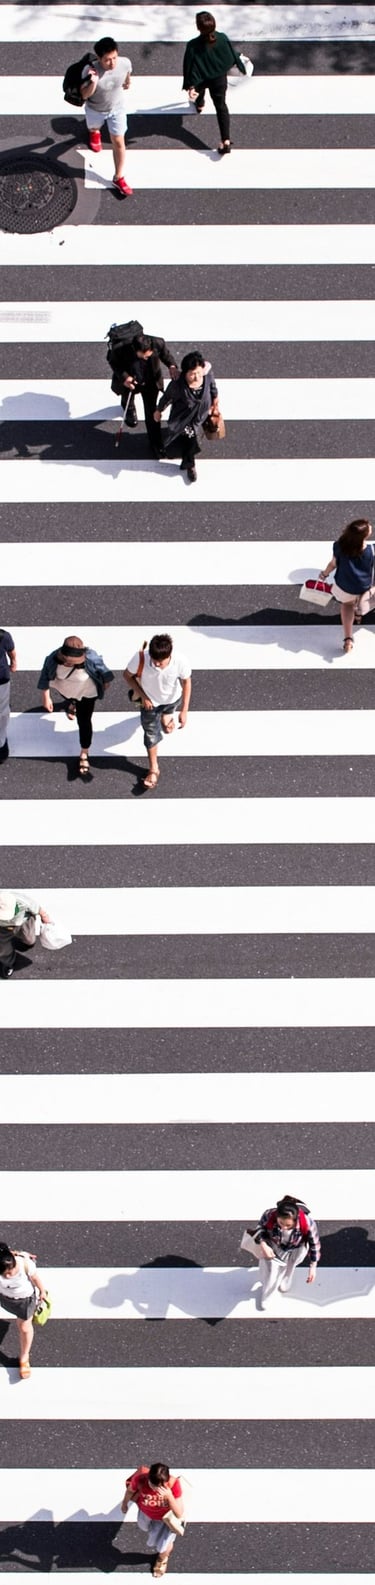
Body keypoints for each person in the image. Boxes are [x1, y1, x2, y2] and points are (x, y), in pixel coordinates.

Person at [38, 634, 114, 779]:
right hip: (65, 690)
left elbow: (106, 673)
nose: (68, 663)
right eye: (66, 661)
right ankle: (72, 704)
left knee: (84, 721)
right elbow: (45, 676)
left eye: (72, 662)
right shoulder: (52, 659)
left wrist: (104, 684)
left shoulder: (91, 658)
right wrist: (46, 696)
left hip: (87, 693)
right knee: (70, 698)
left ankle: (84, 751)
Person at [123, 633, 192, 791]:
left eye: (160, 662)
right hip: (150, 704)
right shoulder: (141, 658)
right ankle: (154, 769)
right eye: (154, 660)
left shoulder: (180, 661)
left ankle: (167, 718)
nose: (156, 664)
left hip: (173, 699)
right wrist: (143, 696)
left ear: (169, 655)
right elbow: (127, 676)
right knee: (151, 734)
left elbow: (187, 682)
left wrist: (184, 711)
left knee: (167, 722)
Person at [182, 10, 246, 153]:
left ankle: (199, 104)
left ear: (198, 28)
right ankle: (226, 140)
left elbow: (190, 67)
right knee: (221, 106)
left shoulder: (193, 45)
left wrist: (191, 86)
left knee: (200, 91)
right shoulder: (222, 38)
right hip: (219, 78)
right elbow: (230, 55)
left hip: (202, 78)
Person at [80, 35, 133, 197]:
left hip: (117, 109)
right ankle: (94, 132)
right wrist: (93, 81)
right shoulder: (89, 71)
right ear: (98, 58)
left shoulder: (124, 63)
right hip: (95, 109)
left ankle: (119, 177)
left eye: (114, 58)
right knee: (94, 127)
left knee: (118, 141)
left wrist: (128, 82)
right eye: (107, 60)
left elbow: (127, 74)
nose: (112, 63)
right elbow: (84, 95)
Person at [154, 350, 219, 482]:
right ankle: (190, 464)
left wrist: (215, 402)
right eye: (192, 374)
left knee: (189, 438)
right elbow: (166, 398)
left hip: (200, 416)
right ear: (185, 373)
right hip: (183, 419)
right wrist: (158, 410)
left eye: (199, 373)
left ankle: (186, 457)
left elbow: (212, 388)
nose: (196, 377)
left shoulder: (207, 376)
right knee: (191, 440)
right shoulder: (178, 385)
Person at [110, 331, 179, 456]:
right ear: (134, 349)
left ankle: (155, 443)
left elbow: (166, 355)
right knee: (127, 397)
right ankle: (129, 408)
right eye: (143, 356)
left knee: (151, 411)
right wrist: (125, 377)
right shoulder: (120, 348)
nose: (146, 358)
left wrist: (172, 366)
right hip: (131, 379)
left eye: (148, 356)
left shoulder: (158, 343)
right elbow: (113, 362)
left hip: (150, 382)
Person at [255, 1194, 321, 1311]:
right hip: (275, 1245)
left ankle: (286, 1278)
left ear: (296, 1220)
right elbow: (260, 1229)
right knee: (271, 1272)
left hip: (296, 1248)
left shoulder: (308, 1223)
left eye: (288, 1225)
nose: (284, 1227)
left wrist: (313, 1266)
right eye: (280, 1223)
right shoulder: (269, 1215)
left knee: (291, 1265)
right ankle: (267, 1295)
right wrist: (263, 1244)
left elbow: (314, 1244)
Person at [121, 1461, 184, 1578]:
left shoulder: (174, 1484)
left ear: (166, 1481)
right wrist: (124, 1503)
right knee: (144, 1528)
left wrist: (169, 1496)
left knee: (164, 1544)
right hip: (146, 1514)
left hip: (165, 1521)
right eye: (152, 1485)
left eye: (160, 1486)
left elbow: (179, 1513)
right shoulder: (140, 1479)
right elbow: (130, 1490)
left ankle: (162, 1559)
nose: (155, 1489)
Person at [320, 518, 374, 654]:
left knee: (347, 605)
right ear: (365, 535)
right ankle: (360, 612)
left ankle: (348, 639)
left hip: (344, 586)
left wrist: (324, 574)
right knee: (363, 601)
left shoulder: (340, 546)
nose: (371, 527)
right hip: (364, 586)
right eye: (369, 527)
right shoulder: (372, 551)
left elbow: (333, 564)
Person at [0, 1242, 47, 1379]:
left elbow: (35, 1278)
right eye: (4, 1274)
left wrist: (42, 1291)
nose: (8, 1276)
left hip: (24, 1300)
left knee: (24, 1327)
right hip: (4, 1297)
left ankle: (24, 1357)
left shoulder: (25, 1264)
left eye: (10, 1272)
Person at [0, 890, 52, 980]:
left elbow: (38, 909)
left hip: (24, 921)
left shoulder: (22, 901)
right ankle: (7, 963)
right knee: (4, 948)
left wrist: (45, 918)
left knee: (29, 940)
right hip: (3, 928)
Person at [0, 627, 17, 763]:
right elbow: (11, 651)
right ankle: (0, 744)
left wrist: (14, 661)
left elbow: (11, 651)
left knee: (2, 711)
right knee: (2, 711)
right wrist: (13, 662)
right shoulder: (3, 635)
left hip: (1, 679)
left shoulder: (3, 636)